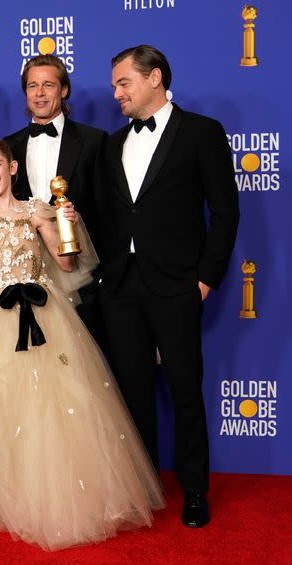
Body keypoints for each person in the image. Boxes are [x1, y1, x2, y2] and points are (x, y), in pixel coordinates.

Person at [0, 132, 164, 551]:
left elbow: (65, 262)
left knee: (59, 404)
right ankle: (9, 497)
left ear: (11, 167)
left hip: (47, 315)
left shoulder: (36, 211)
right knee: (4, 405)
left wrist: (67, 224)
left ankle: (59, 494)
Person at [96, 45, 240, 528]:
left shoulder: (202, 132)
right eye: (115, 84)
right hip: (121, 286)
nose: (115, 92)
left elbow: (225, 213)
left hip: (177, 285)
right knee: (132, 393)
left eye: (123, 83)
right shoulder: (112, 144)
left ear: (154, 78)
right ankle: (143, 490)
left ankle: (195, 491)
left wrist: (204, 281)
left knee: (184, 391)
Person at [5, 54, 108, 344]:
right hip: (26, 274)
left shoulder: (94, 141)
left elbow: (107, 209)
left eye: (48, 85)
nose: (39, 94)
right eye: (32, 86)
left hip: (81, 275)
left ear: (63, 91)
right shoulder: (8, 146)